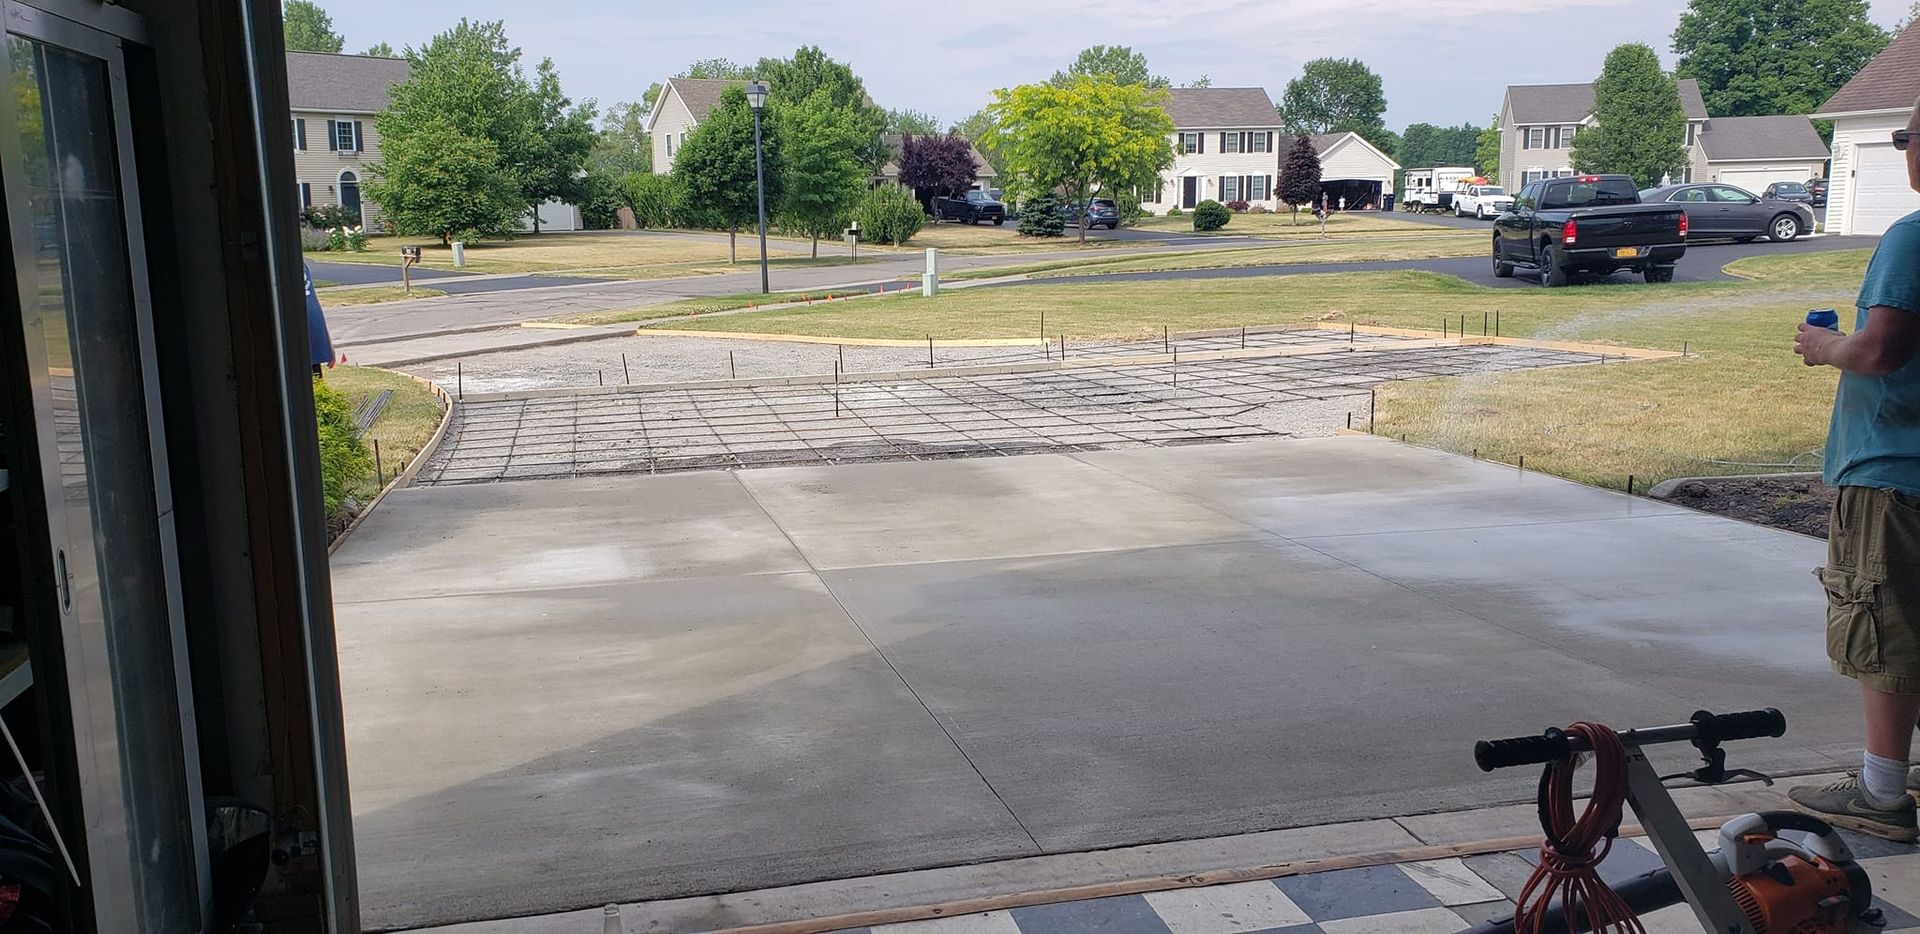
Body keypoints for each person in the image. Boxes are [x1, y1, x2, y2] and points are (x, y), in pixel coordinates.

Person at [1788, 96, 1920, 842]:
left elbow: (1880, 350)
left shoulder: (1913, 236)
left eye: (1905, 137)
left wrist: (1823, 347)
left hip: (1894, 472)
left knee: (1885, 629)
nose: (1904, 150)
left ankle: (1881, 794)